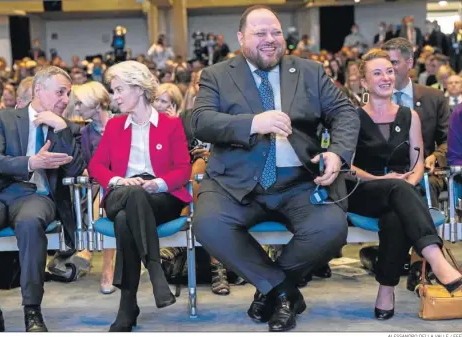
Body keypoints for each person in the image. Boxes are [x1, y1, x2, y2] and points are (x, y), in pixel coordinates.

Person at [191, 5, 359, 332]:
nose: (270, 40)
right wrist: (253, 122)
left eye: (276, 32)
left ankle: (269, 291)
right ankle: (284, 293)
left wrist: (338, 154)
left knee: (330, 228)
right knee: (209, 226)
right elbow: (201, 121)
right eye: (260, 33)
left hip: (298, 182)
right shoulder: (217, 75)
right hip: (235, 183)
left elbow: (345, 113)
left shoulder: (310, 71)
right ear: (241, 38)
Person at [0, 66, 86, 332]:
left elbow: (75, 170)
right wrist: (31, 162)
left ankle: (32, 310)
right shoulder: (2, 119)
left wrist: (60, 128)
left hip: (36, 195)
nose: (65, 98)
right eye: (60, 91)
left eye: (68, 93)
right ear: (39, 90)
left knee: (29, 223)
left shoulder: (67, 127)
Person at [348, 49, 462, 320]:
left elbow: (417, 163)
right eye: (377, 73)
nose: (386, 77)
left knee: (396, 216)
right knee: (399, 191)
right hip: (363, 191)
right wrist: (382, 180)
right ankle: (435, 256)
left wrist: (409, 181)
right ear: (364, 82)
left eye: (389, 71)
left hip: (402, 192)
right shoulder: (352, 117)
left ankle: (385, 291)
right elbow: (346, 166)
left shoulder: (410, 116)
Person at [88, 61, 192, 332]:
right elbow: (96, 166)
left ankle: (128, 305)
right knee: (130, 198)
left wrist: (157, 184)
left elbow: (183, 169)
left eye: (120, 89)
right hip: (121, 191)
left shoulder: (171, 125)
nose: (116, 97)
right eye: (114, 91)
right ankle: (155, 271)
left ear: (139, 88)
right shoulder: (114, 126)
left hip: (160, 195)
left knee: (124, 220)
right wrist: (118, 180)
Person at [73, 81, 117, 294]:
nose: (77, 108)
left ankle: (105, 264)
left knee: (108, 199)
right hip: (98, 185)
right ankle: (102, 261)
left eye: (81, 103)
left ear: (97, 104)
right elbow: (89, 166)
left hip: (126, 183)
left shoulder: (123, 124)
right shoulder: (86, 133)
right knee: (102, 197)